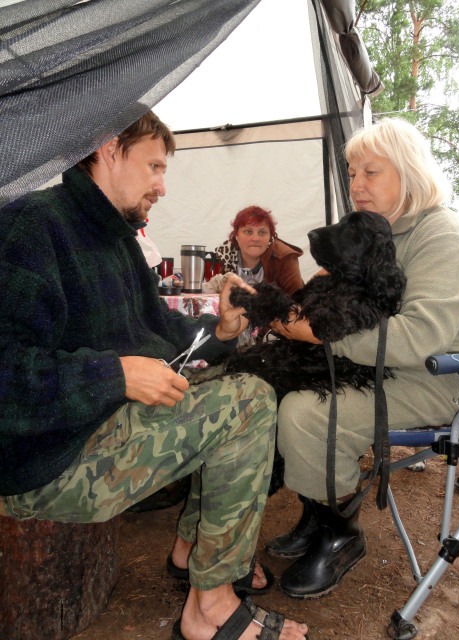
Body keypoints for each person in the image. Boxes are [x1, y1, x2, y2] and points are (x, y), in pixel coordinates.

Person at [0, 111, 309, 640]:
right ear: (108, 148)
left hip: (99, 421)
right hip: (46, 460)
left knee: (243, 378)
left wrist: (222, 331)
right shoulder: (32, 227)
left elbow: (160, 331)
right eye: (154, 167)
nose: (162, 187)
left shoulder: (116, 238)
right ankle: (208, 609)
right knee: (249, 402)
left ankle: (191, 550)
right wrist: (113, 376)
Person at [262, 117, 459, 599]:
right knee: (278, 385)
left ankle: (341, 535)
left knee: (306, 413)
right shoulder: (381, 232)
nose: (356, 184)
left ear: (409, 172)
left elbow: (417, 337)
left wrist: (319, 332)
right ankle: (318, 512)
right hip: (389, 367)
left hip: (450, 375)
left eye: (371, 172)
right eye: (351, 173)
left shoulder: (442, 236)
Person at [209, 205, 304, 296]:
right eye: (248, 231)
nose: (255, 238)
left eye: (262, 232)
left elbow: (299, 301)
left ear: (270, 237)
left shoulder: (284, 257)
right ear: (236, 235)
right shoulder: (223, 257)